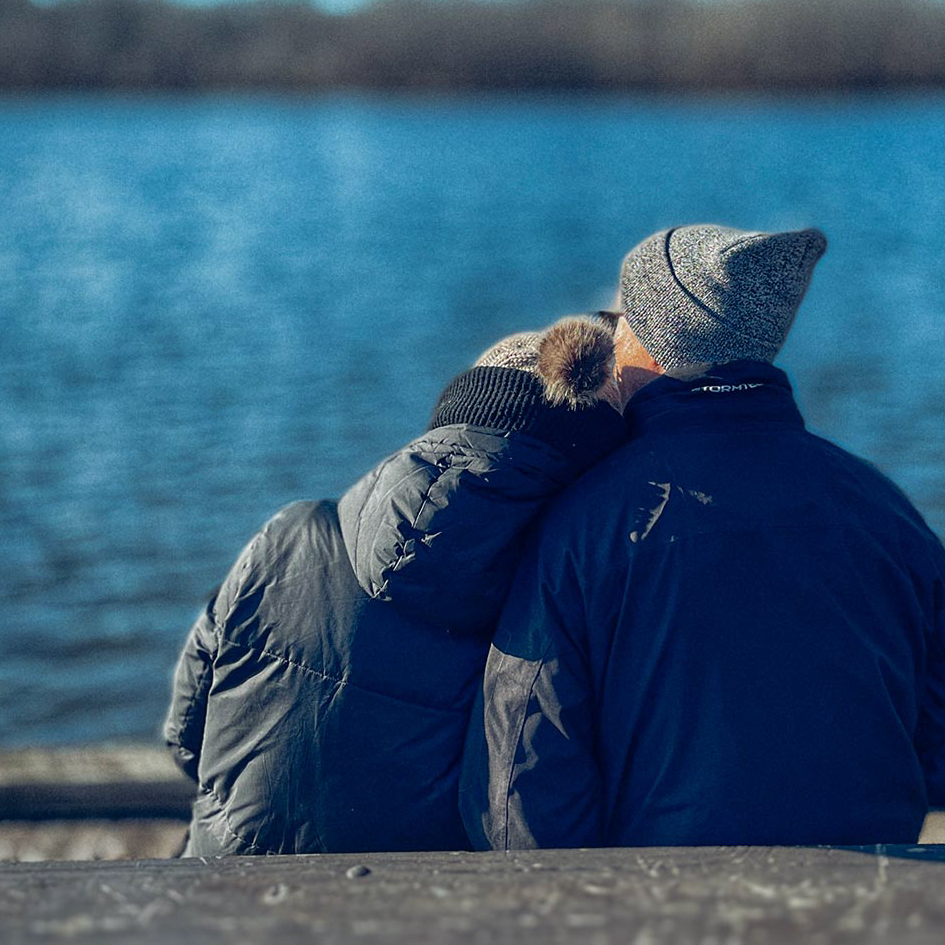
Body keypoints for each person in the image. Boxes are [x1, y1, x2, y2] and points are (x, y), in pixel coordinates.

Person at [462, 224, 945, 849]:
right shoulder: (883, 507)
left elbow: (518, 799)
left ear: (641, 342)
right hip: (870, 898)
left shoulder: (585, 520)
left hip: (664, 907)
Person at [164, 315, 625, 854]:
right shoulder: (556, 590)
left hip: (220, 889)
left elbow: (185, 732)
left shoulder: (291, 533)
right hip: (401, 911)